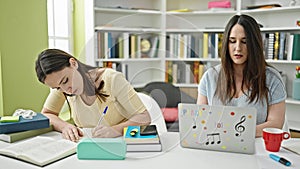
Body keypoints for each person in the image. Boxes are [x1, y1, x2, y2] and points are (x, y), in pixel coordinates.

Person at [197, 14, 287, 137]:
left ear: (254, 45)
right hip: (218, 147)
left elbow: (275, 124)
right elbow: (201, 119)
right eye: (232, 41)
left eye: (244, 42)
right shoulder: (210, 77)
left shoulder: (272, 79)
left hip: (256, 148)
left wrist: (237, 133)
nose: (238, 48)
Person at [35, 49, 151, 142]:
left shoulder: (111, 79)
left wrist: (115, 130)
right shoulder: (62, 87)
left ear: (73, 63)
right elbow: (47, 114)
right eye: (57, 88)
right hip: (89, 149)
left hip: (121, 147)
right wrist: (64, 126)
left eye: (65, 81)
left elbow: (144, 117)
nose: (67, 90)